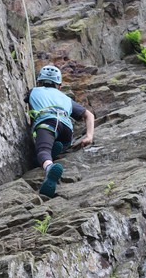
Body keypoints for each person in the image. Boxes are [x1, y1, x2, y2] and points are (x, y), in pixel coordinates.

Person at [24, 65, 95, 198]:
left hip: (47, 123)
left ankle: (49, 167)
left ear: (39, 82)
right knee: (57, 145)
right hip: (66, 129)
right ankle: (57, 150)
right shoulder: (66, 98)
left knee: (42, 150)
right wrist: (89, 135)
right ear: (59, 86)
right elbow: (89, 115)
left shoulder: (33, 91)